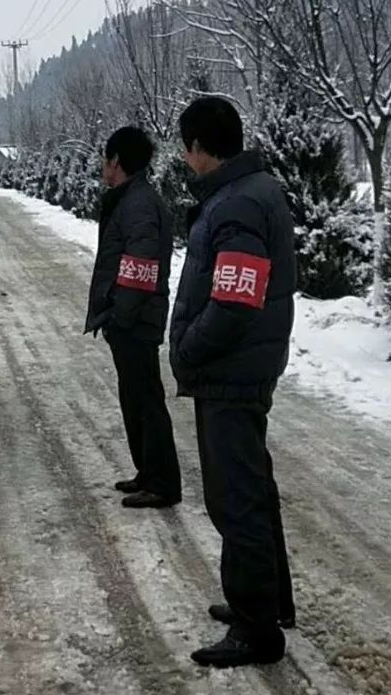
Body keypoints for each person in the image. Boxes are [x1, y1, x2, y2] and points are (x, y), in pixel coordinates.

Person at [169, 96, 297, 668]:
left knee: (236, 498)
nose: (184, 157)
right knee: (253, 488)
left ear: (199, 148)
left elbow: (235, 302)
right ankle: (268, 602)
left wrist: (189, 349)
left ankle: (256, 629)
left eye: (185, 146)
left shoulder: (238, 204)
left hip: (231, 370)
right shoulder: (250, 192)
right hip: (241, 367)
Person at [84, 126, 182, 509]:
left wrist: (120, 315)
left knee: (146, 400)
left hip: (136, 320)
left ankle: (162, 483)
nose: (102, 167)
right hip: (129, 317)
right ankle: (148, 473)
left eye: (106, 160)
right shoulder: (128, 198)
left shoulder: (139, 204)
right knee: (135, 397)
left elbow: (141, 268)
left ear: (117, 162)